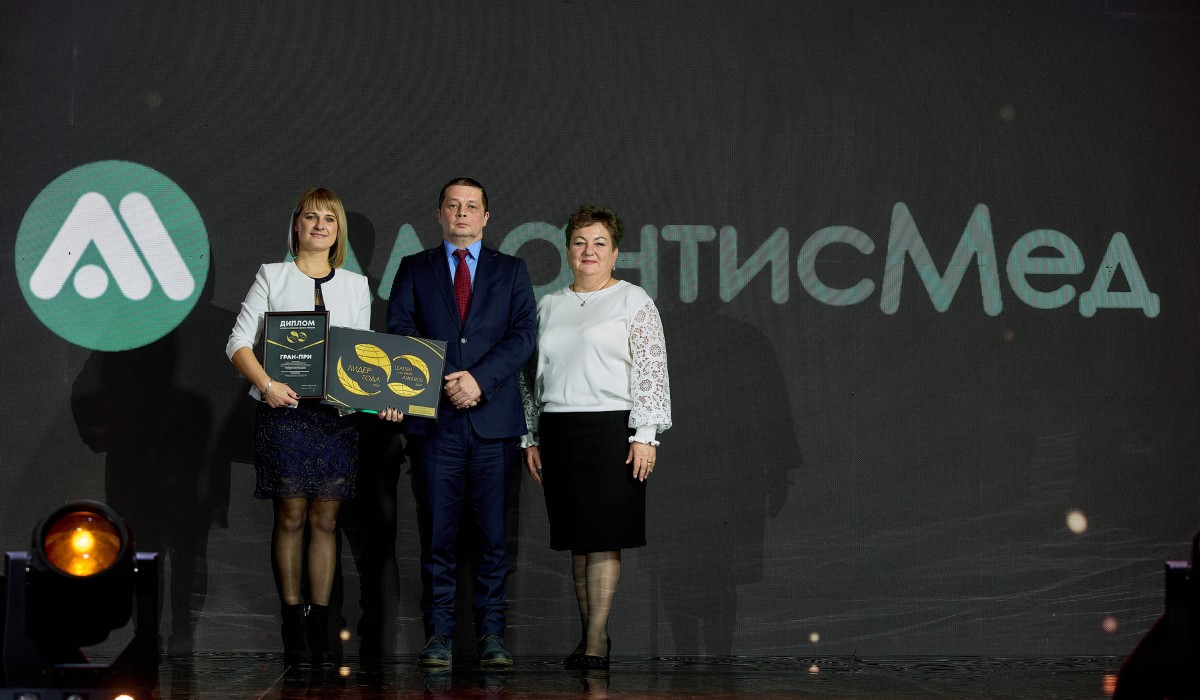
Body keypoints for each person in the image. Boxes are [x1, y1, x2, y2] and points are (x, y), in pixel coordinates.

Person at [226, 187, 403, 669]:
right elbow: (238, 342)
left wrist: (385, 400)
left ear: (338, 230)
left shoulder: (356, 285)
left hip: (335, 420)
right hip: (284, 414)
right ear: (297, 226)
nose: (320, 225)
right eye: (311, 217)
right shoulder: (272, 275)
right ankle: (293, 627)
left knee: (326, 521)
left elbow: (364, 357)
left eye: (329, 218)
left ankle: (320, 628)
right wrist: (266, 384)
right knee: (291, 516)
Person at [386, 177, 536, 669]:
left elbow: (523, 336)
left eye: (472, 206)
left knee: (493, 538)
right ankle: (439, 636)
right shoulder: (414, 268)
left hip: (493, 424)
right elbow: (401, 332)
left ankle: (492, 634)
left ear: (486, 217)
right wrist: (449, 378)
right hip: (436, 424)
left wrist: (479, 381)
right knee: (438, 537)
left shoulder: (512, 270)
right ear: (440, 214)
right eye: (454, 205)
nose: (463, 213)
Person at [521, 204, 672, 671]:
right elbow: (530, 377)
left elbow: (651, 369)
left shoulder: (633, 300)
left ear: (616, 252)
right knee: (578, 539)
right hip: (559, 431)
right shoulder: (548, 305)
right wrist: (530, 436)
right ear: (568, 250)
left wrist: (645, 434)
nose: (589, 251)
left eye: (599, 243)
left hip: (612, 431)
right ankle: (593, 636)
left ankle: (594, 643)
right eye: (580, 242)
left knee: (604, 538)